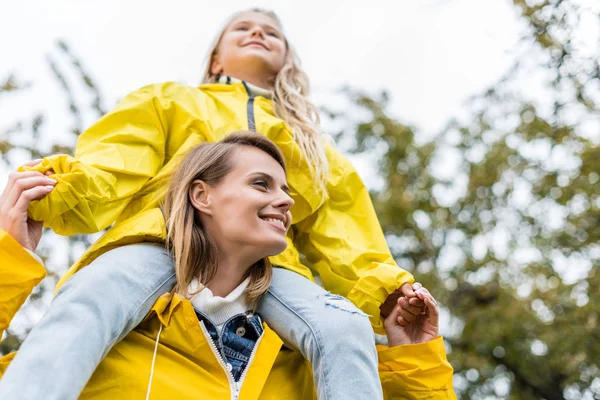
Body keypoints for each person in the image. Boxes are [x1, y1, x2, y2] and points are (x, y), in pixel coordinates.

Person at [1, 8, 426, 400]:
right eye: (242, 27)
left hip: (268, 269)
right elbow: (117, 161)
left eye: (272, 33)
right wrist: (62, 189)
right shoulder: (170, 101)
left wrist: (387, 288)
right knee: (92, 296)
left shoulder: (313, 148)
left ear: (287, 64)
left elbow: (346, 230)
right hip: (164, 239)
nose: (258, 31)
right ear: (216, 60)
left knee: (344, 326)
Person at [0, 134, 455, 399]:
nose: (285, 200)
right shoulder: (86, 344)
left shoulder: (310, 366)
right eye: (261, 184)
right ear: (202, 196)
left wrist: (416, 357)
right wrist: (8, 259)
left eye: (287, 192)